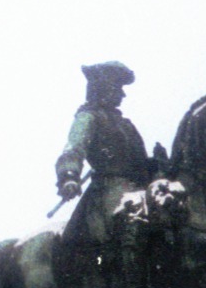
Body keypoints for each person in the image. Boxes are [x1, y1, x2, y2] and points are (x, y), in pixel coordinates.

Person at [54, 63, 152, 254]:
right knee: (130, 224)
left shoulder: (125, 125)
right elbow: (74, 148)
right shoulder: (88, 117)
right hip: (110, 189)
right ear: (103, 88)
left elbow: (140, 161)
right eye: (118, 88)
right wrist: (69, 175)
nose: (123, 95)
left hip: (140, 187)